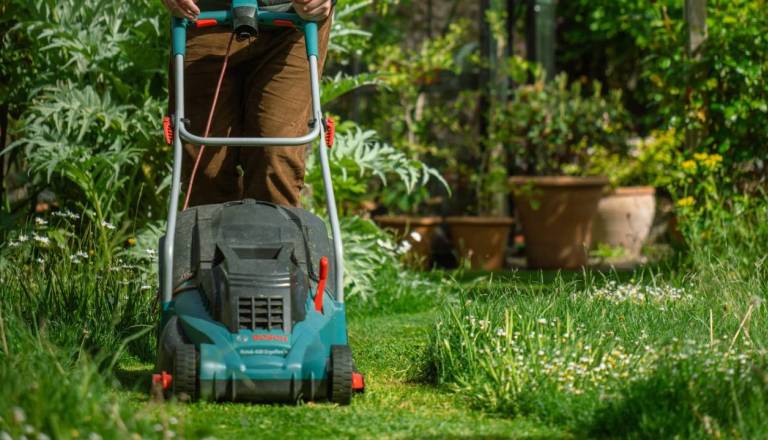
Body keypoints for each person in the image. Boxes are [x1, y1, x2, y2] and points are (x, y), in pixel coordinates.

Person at [161, 0, 334, 208]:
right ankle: (209, 238)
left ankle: (277, 239)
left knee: (276, 161)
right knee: (206, 172)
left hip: (293, 21)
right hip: (202, 16)